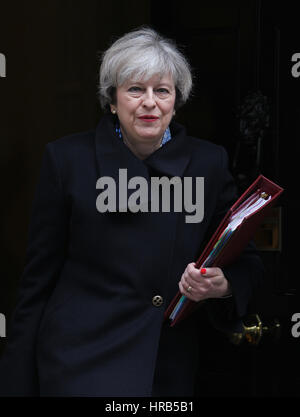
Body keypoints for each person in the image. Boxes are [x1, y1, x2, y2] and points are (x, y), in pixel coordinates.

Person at [0, 27, 263, 397]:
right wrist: (16, 383)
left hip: (165, 367)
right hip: (79, 363)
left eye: (162, 90)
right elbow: (37, 283)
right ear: (112, 100)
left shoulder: (208, 163)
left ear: (176, 100)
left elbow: (246, 262)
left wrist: (223, 286)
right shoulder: (67, 161)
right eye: (135, 89)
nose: (150, 103)